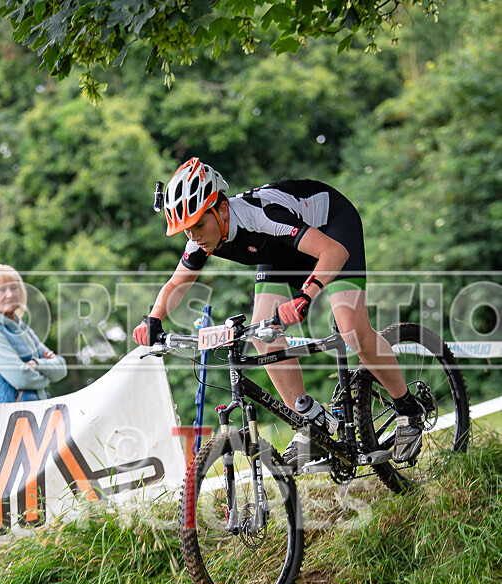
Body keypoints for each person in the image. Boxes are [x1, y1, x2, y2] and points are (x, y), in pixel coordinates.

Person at [133, 157, 425, 471]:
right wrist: (154, 317)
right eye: (186, 232)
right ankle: (310, 423)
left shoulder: (260, 216)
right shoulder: (202, 239)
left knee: (351, 327)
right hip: (282, 249)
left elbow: (334, 252)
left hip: (330, 227)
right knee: (263, 335)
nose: (194, 237)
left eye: (199, 226)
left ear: (219, 208)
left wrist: (306, 294)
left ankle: (408, 407)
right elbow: (179, 282)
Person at [0, 264, 67, 403]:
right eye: (2, 290)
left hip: (37, 415)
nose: (10, 294)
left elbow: (61, 368)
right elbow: (21, 378)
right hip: (7, 419)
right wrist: (47, 375)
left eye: (14, 287)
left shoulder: (21, 327)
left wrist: (37, 365)